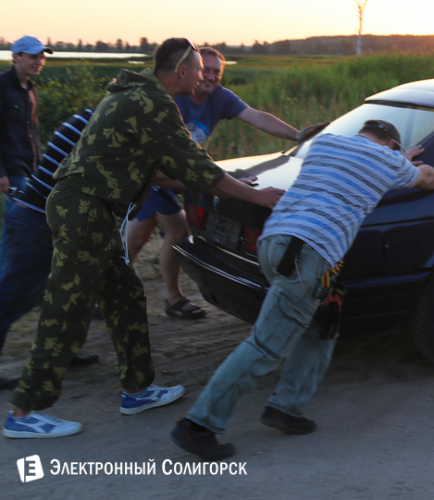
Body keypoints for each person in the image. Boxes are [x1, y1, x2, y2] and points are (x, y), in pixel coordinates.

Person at [3, 38, 284, 439]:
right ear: (181, 71)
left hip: (93, 209)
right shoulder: (152, 102)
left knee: (126, 297)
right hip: (85, 210)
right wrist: (255, 196)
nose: (204, 77)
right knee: (68, 307)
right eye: (198, 70)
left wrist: (231, 182)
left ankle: (137, 390)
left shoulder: (136, 95)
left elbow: (165, 172)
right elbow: (195, 168)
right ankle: (24, 412)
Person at [171, 119, 434, 460]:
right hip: (307, 254)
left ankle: (287, 407)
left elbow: (361, 163)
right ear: (391, 145)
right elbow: (427, 177)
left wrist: (398, 159)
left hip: (274, 244)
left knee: (323, 324)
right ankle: (198, 425)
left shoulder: (326, 144)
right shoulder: (388, 161)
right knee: (265, 344)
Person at [127, 47, 323, 320]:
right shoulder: (174, 95)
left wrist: (298, 135)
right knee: (169, 231)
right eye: (204, 70)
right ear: (190, 71)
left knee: (150, 234)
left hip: (176, 174)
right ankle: (166, 298)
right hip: (153, 172)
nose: (209, 76)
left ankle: (126, 291)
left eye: (216, 72)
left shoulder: (220, 97)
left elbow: (257, 117)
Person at [0, 109, 99, 390]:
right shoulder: (100, 124)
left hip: (48, 220)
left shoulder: (96, 117)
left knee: (69, 290)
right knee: (10, 299)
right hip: (37, 221)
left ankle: (61, 352)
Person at [0, 36, 49, 278]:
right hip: (12, 173)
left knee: (23, 229)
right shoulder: (1, 86)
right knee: (17, 232)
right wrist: (1, 173)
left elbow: (33, 135)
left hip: (30, 172)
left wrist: (40, 171)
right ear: (16, 57)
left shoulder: (30, 90)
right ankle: (7, 284)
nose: (39, 61)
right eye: (33, 57)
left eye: (41, 57)